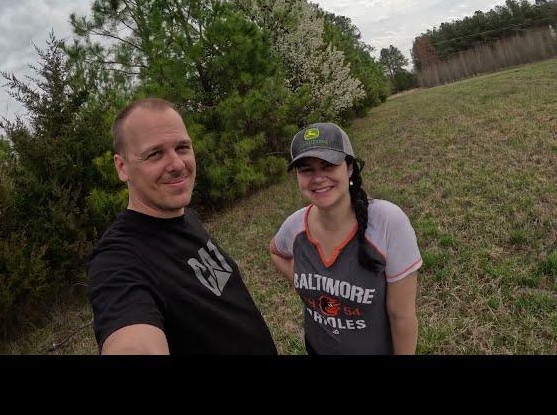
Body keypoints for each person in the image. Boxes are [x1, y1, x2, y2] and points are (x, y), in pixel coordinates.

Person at [87, 98, 277, 355]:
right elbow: (132, 341)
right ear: (122, 167)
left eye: (182, 147)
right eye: (155, 154)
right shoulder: (117, 258)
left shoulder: (185, 216)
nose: (177, 164)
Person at [269, 122, 422, 355]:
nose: (318, 178)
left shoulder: (387, 222)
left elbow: (402, 317)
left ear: (349, 167)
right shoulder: (295, 225)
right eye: (306, 169)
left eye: (328, 165)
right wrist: (307, 284)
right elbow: (276, 251)